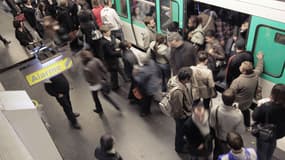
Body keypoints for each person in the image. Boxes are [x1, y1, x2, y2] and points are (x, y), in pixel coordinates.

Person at [80, 50, 121, 114]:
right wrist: (105, 78)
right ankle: (116, 106)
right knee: (106, 96)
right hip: (102, 81)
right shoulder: (96, 60)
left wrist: (94, 81)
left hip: (95, 85)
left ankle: (99, 109)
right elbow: (104, 69)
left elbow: (88, 79)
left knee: (95, 97)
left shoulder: (85, 67)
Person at [230, 53, 264, 129]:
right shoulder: (255, 74)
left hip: (238, 104)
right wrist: (260, 59)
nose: (239, 67)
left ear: (244, 71)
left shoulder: (238, 81)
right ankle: (247, 125)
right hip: (248, 101)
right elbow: (260, 68)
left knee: (235, 115)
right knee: (246, 112)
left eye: (241, 67)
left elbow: (231, 93)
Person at [210, 88, 245, 160]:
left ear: (222, 99)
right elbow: (240, 132)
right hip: (231, 142)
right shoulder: (238, 115)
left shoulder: (215, 109)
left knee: (217, 152)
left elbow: (212, 124)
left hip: (218, 138)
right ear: (233, 100)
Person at [252, 84, 285, 160]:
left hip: (265, 133)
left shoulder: (266, 107)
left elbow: (255, 116)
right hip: (278, 133)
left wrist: (259, 105)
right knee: (271, 146)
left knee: (262, 151)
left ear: (273, 94)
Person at [167, 67, 193, 153]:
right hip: (181, 116)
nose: (190, 80)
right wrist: (182, 116)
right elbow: (178, 109)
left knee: (182, 130)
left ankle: (181, 142)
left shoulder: (175, 79)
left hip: (183, 113)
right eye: (189, 78)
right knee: (180, 132)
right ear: (185, 79)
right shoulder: (178, 91)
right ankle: (179, 148)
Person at [100, 25, 121, 90]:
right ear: (104, 33)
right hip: (111, 61)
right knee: (113, 74)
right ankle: (115, 86)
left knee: (116, 72)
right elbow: (111, 53)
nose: (110, 32)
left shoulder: (110, 37)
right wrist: (119, 52)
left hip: (114, 59)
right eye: (108, 32)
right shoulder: (104, 43)